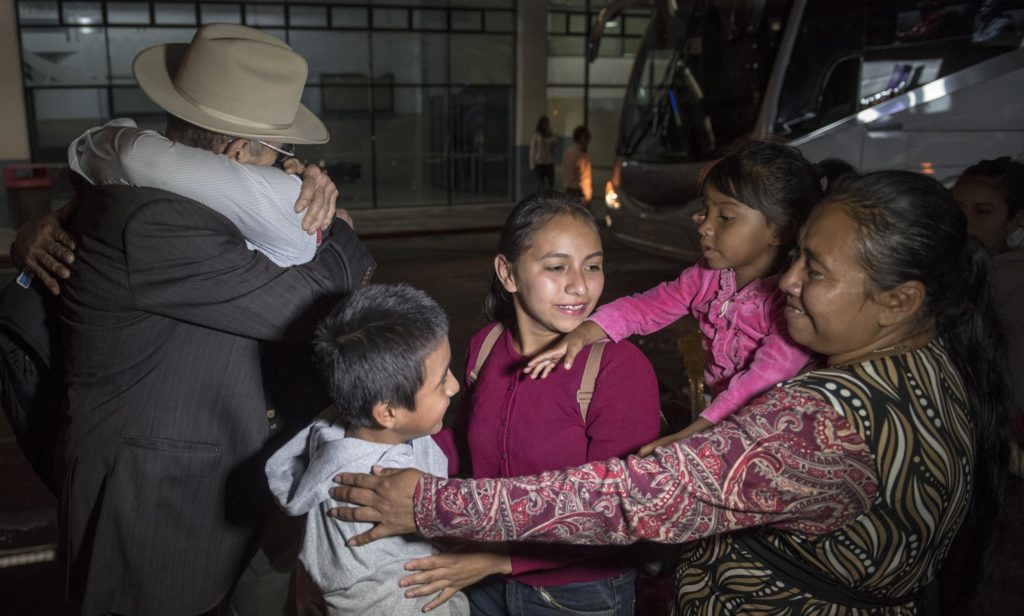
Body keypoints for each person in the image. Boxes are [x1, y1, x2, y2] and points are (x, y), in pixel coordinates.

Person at [330, 170, 1010, 614]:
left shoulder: (825, 422)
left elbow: (625, 499)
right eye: (796, 255)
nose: (788, 282)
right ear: (508, 274)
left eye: (815, 269)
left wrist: (433, 506)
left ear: (900, 300)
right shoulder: (931, 359)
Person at [50, 24, 377, 616]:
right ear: (238, 154)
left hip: (243, 478)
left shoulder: (198, 209)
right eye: (283, 155)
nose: (295, 169)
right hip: (160, 509)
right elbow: (321, 300)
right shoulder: (156, 222)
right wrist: (336, 227)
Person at [400, 192, 660, 614]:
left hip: (577, 596)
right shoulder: (487, 346)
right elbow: (462, 442)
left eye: (593, 266)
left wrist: (498, 559)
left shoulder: (619, 369)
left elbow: (619, 514)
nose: (580, 284)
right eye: (557, 267)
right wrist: (384, 456)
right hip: (485, 581)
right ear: (508, 273)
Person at [530, 141, 842, 452]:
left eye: (725, 217)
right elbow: (647, 307)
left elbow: (762, 381)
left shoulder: (791, 301)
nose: (705, 226)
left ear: (779, 230)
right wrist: (587, 331)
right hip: (716, 416)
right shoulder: (706, 276)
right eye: (706, 211)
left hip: (774, 429)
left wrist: (696, 431)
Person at [265, 284, 468, 615]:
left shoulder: (342, 427)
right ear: (387, 413)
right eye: (442, 379)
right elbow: (382, 598)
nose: (455, 386)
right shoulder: (371, 488)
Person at [67, 116, 338, 267]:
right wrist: (298, 180)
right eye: (282, 151)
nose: (286, 161)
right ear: (238, 150)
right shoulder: (286, 202)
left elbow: (110, 145)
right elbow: (135, 154)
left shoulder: (117, 170)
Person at [952, 157, 1024, 457]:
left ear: (1016, 219)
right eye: (957, 210)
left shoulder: (1014, 280)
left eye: (983, 212)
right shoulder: (945, 269)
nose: (967, 223)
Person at [561, 126, 592, 204]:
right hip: (577, 193)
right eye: (585, 137)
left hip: (573, 191)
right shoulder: (577, 154)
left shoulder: (571, 152)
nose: (587, 140)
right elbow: (583, 177)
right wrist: (586, 196)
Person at [529, 116, 557, 192]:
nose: (545, 125)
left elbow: (554, 143)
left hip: (549, 161)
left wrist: (549, 133)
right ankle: (540, 196)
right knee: (541, 181)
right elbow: (533, 149)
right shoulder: (536, 135)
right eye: (543, 123)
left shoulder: (551, 134)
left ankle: (550, 196)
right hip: (539, 161)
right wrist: (532, 164)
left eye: (546, 123)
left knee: (551, 181)